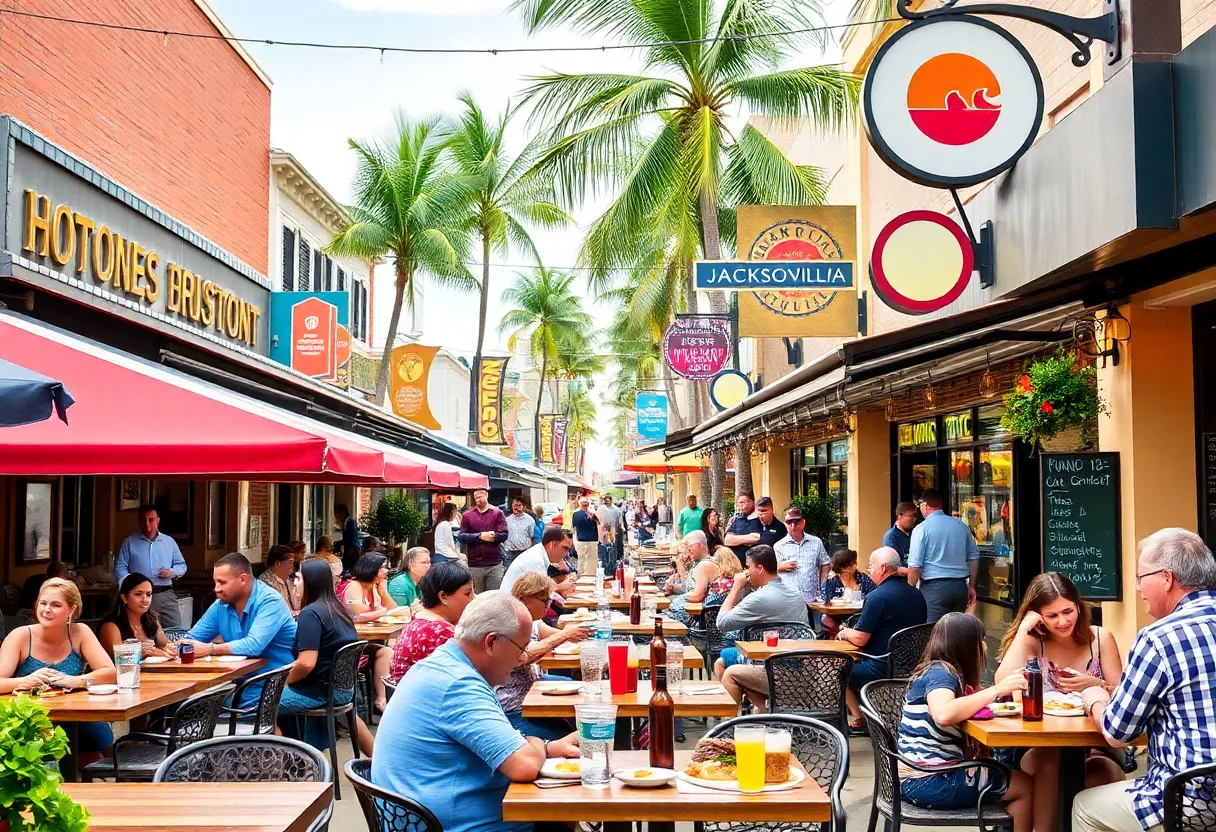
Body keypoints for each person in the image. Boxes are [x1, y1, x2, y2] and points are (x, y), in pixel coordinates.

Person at [372, 591, 581, 832]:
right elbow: (524, 765)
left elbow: (500, 740)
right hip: (456, 825)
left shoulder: (442, 666)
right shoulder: (458, 684)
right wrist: (533, 746)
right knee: (562, 812)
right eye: (520, 648)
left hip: (427, 817)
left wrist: (547, 747)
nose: (523, 658)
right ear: (491, 642)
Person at [1073, 528, 1216, 832]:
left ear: (1166, 578)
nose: (1138, 588)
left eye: (1140, 577)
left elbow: (1116, 732)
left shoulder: (1159, 638)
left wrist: (1096, 697)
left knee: (1084, 807)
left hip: (1193, 800)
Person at [994, 572, 1125, 832]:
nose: (1063, 621)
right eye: (1052, 615)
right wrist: (1022, 631)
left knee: (1098, 775)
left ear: (1079, 605)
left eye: (1068, 611)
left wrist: (1094, 684)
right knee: (1048, 761)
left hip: (1096, 743)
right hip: (1040, 744)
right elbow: (1002, 682)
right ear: (1038, 616)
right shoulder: (1033, 641)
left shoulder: (1100, 639)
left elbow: (1122, 693)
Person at [896, 613, 1033, 832]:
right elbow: (943, 713)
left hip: (918, 777)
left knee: (1010, 774)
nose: (985, 646)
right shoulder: (941, 673)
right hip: (929, 780)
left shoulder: (942, 672)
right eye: (981, 639)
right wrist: (996, 690)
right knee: (1024, 785)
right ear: (967, 644)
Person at [0, 579, 117, 767]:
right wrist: (25, 681)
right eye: (43, 603)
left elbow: (109, 672)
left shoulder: (80, 633)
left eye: (56, 605)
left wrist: (75, 681)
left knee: (99, 735)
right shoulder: (21, 636)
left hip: (75, 717)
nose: (47, 609)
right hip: (30, 720)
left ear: (72, 610)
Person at [277, 559, 374, 756]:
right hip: (343, 690)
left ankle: (288, 766)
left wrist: (282, 682)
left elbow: (306, 663)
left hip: (319, 693)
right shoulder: (338, 610)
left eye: (297, 578)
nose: (294, 583)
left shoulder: (310, 614)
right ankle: (380, 761)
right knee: (349, 715)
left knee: (262, 703)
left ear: (310, 581)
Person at [180, 553, 297, 700]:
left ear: (243, 579)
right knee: (193, 702)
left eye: (222, 582)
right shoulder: (221, 606)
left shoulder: (269, 601)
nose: (216, 589)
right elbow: (191, 639)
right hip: (243, 680)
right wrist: (167, 648)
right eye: (215, 583)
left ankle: (267, 724)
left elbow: (254, 645)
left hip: (278, 682)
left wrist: (210, 649)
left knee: (211, 704)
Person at [838, 546, 927, 727]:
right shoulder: (918, 595)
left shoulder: (877, 597)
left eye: (871, 567)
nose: (869, 571)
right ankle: (871, 713)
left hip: (879, 666)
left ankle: (859, 717)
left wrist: (845, 632)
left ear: (883, 568)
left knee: (836, 672)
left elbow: (860, 638)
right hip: (911, 666)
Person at [499, 573, 593, 739]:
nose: (548, 606)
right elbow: (522, 657)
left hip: (532, 690)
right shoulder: (509, 623)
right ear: (524, 599)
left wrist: (584, 637)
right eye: (545, 600)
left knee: (578, 691)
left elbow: (556, 635)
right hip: (513, 708)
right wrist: (564, 635)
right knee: (565, 733)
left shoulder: (533, 622)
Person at [713, 545, 808, 677]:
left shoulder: (759, 598)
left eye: (748, 567)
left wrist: (736, 587)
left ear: (760, 568)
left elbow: (722, 623)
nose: (746, 571)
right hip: (800, 664)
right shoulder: (797, 594)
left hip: (769, 664)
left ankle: (739, 697)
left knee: (723, 664)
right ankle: (760, 697)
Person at [389, 562, 475, 683]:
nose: (473, 599)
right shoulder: (440, 633)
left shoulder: (419, 621)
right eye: (468, 593)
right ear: (443, 597)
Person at [907, 489, 979, 622]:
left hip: (934, 588)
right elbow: (974, 557)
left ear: (925, 505)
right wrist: (971, 585)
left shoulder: (922, 528)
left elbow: (915, 566)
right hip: (959, 586)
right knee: (956, 633)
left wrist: (910, 590)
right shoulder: (961, 526)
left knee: (933, 633)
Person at [341, 552, 398, 710]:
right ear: (371, 568)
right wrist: (380, 612)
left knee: (386, 652)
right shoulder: (354, 586)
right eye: (383, 567)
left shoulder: (373, 587)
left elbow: (391, 609)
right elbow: (357, 614)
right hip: (349, 641)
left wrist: (384, 592)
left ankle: (381, 699)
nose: (387, 570)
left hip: (364, 639)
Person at [114, 504, 187, 629]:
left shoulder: (169, 542)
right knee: (145, 630)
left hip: (165, 593)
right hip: (140, 595)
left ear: (158, 520)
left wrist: (172, 572)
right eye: (144, 520)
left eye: (151, 520)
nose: (147, 525)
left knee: (176, 628)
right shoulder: (129, 543)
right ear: (139, 522)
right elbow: (120, 568)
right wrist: (131, 583)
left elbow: (182, 565)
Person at [99, 573, 176, 659]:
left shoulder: (151, 619)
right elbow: (117, 657)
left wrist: (175, 647)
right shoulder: (111, 625)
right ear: (124, 598)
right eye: (138, 594)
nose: (145, 600)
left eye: (148, 594)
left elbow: (165, 645)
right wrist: (139, 653)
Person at [774, 506, 830, 606]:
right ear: (785, 524)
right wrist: (781, 567)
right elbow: (770, 570)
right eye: (789, 522)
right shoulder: (778, 546)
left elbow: (825, 563)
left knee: (813, 622)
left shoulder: (816, 542)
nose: (793, 525)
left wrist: (822, 585)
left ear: (803, 522)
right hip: (788, 599)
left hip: (811, 598)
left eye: (797, 521)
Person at [819, 548, 877, 639]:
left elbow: (873, 595)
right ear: (842, 567)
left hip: (858, 616)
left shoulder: (863, 579)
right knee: (826, 620)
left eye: (855, 562)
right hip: (835, 617)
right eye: (851, 564)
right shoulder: (831, 581)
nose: (855, 565)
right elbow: (825, 601)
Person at [457, 488, 508, 592]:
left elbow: (504, 534)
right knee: (477, 597)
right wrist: (480, 536)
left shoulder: (497, 513)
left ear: (486, 496)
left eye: (480, 497)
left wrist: (494, 536)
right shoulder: (467, 515)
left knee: (494, 595)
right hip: (475, 564)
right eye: (475, 498)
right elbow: (461, 537)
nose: (477, 500)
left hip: (494, 563)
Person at [663, 530, 717, 625]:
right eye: (686, 546)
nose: (687, 549)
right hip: (687, 613)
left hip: (693, 618)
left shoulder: (704, 565)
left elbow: (697, 595)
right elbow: (690, 588)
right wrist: (674, 588)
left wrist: (674, 600)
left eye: (689, 545)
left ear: (701, 545)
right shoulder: (698, 563)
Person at [501, 526, 574, 591]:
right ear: (552, 545)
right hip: (511, 603)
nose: (567, 553)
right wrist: (560, 587)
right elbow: (538, 593)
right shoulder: (535, 560)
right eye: (565, 548)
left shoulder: (538, 554)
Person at [258, 545, 301, 616]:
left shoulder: (288, 581)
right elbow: (277, 612)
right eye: (290, 563)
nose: (292, 567)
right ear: (277, 563)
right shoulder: (265, 584)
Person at [724, 491, 763, 567]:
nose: (740, 506)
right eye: (738, 504)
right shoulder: (737, 520)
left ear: (752, 502)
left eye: (742, 503)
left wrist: (737, 539)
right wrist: (748, 539)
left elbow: (759, 538)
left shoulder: (760, 519)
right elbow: (727, 540)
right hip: (737, 565)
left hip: (756, 564)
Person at [504, 497, 537, 572]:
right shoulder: (506, 520)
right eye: (515, 505)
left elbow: (532, 535)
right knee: (509, 572)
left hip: (524, 552)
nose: (517, 508)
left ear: (524, 507)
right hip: (510, 552)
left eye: (519, 505)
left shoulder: (530, 520)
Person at [884, 501, 918, 568]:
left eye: (915, 516)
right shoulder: (891, 536)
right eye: (911, 516)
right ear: (899, 516)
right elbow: (893, 564)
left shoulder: (915, 533)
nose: (914, 519)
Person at [571, 496, 599, 576]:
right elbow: (598, 525)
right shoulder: (592, 513)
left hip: (582, 539)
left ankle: (583, 575)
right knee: (591, 560)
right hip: (590, 539)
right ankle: (589, 575)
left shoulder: (576, 514)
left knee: (582, 559)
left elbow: (574, 528)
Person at [334, 503, 361, 574]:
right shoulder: (346, 522)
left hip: (352, 550)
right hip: (350, 550)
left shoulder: (351, 522)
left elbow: (350, 538)